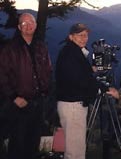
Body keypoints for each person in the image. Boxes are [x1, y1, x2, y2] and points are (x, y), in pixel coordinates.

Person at [0, 12, 52, 159]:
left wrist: (45, 91)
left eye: (31, 22)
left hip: (38, 102)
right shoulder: (10, 49)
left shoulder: (40, 46)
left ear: (35, 25)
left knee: (33, 142)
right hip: (19, 103)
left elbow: (48, 70)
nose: (28, 25)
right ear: (19, 27)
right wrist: (14, 96)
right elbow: (2, 74)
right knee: (17, 144)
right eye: (24, 23)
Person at [55, 23, 98, 159]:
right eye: (80, 35)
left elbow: (77, 74)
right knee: (74, 151)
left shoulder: (73, 51)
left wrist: (89, 71)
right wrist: (102, 88)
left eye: (85, 35)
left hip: (72, 104)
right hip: (72, 105)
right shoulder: (71, 53)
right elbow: (79, 80)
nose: (84, 38)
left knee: (77, 147)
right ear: (71, 37)